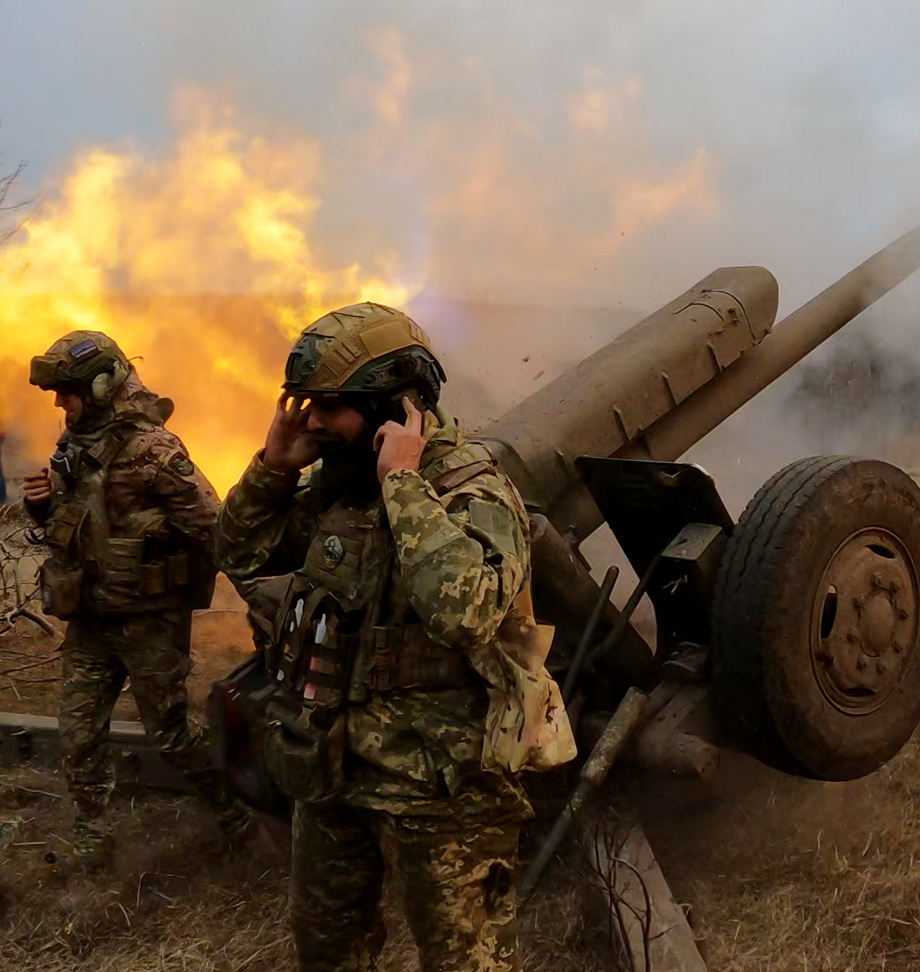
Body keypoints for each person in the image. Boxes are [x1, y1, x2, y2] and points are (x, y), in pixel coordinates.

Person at [213, 303, 570, 972]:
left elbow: (463, 613)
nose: (312, 421)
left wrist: (402, 484)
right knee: (328, 947)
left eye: (330, 406)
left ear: (394, 406)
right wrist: (273, 470)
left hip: (441, 784)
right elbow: (239, 555)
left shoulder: (472, 490)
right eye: (306, 405)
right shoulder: (340, 489)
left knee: (466, 961)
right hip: (331, 762)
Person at [20, 330, 246, 870]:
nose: (59, 403)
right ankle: (91, 837)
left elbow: (213, 528)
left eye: (67, 391)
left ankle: (236, 813)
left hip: (149, 624)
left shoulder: (155, 451)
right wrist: (43, 507)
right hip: (91, 620)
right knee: (78, 734)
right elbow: (71, 525)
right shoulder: (73, 445)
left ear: (101, 386)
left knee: (170, 735)